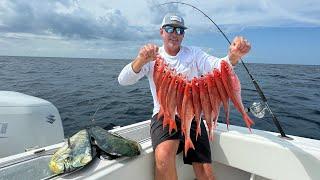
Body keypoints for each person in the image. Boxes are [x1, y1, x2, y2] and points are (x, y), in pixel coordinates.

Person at [118, 13, 251, 180]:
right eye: (170, 28)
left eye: (180, 30)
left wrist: (233, 56)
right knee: (163, 159)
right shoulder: (152, 57)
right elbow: (123, 80)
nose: (175, 33)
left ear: (183, 34)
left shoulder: (194, 54)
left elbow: (218, 66)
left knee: (207, 173)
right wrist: (141, 60)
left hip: (193, 115)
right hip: (164, 115)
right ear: (162, 32)